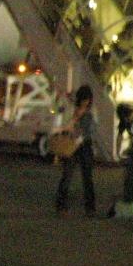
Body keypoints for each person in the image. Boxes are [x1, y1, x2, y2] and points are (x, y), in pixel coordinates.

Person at [55, 85, 97, 216]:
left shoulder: (91, 112)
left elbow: (92, 129)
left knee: (87, 177)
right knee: (67, 175)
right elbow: (65, 122)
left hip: (84, 144)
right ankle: (61, 206)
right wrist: (73, 119)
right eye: (84, 99)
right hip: (72, 144)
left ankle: (90, 207)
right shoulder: (72, 109)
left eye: (87, 100)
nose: (85, 102)